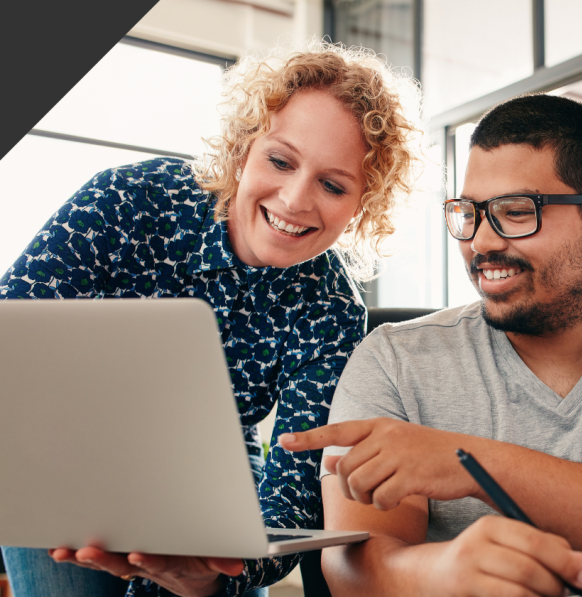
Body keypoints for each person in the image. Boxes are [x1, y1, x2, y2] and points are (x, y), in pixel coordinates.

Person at [0, 40, 425, 597]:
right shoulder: (126, 200)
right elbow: (15, 344)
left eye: (333, 184)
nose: (296, 200)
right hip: (67, 451)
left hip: (213, 467)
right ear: (243, 148)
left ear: (363, 204)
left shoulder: (333, 311)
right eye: (280, 160)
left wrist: (215, 575)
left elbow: (295, 490)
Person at [281, 94, 582, 596]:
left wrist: (470, 463)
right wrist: (442, 576)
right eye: (469, 213)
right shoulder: (391, 360)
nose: (482, 241)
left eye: (515, 211)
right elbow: (354, 572)